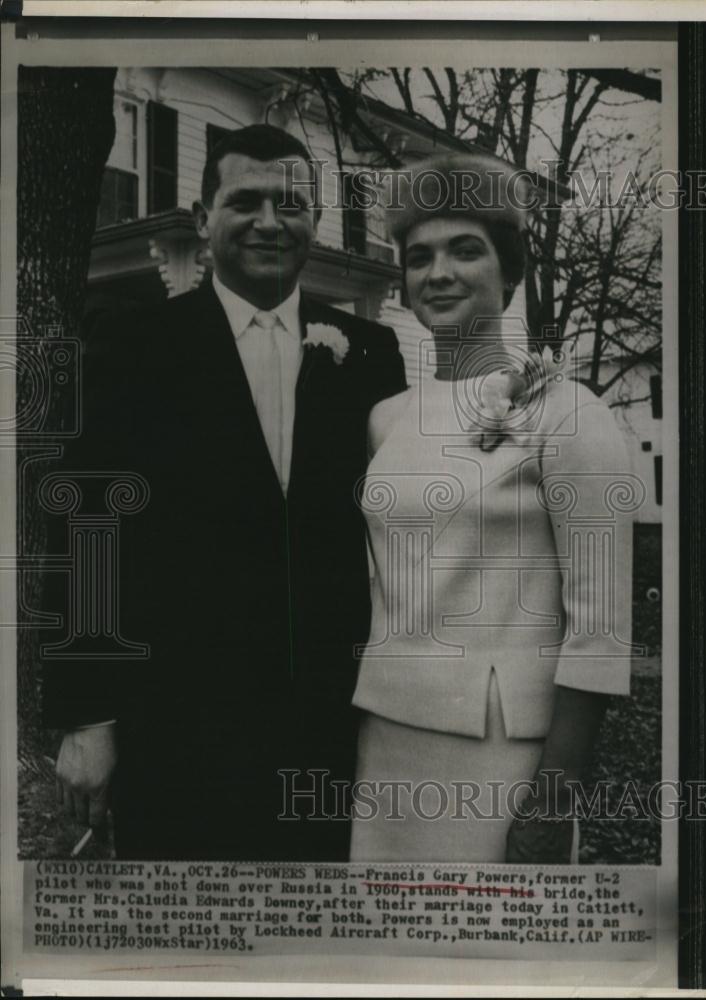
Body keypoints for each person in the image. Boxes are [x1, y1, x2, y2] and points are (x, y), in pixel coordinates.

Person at [42, 123, 406, 860]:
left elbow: (400, 534)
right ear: (205, 217)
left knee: (315, 949)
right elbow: (84, 532)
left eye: (291, 203)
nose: (270, 222)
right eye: (245, 201)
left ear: (314, 221)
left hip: (330, 732)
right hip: (176, 727)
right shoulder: (126, 344)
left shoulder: (368, 354)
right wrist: (88, 717)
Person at [349, 152, 635, 862]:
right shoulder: (385, 418)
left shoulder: (568, 411)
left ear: (509, 273)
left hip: (505, 756)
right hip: (385, 735)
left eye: (464, 250)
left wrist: (552, 800)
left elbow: (599, 631)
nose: (438, 272)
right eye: (419, 257)